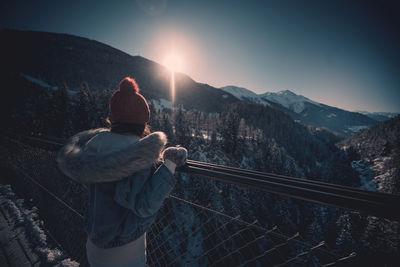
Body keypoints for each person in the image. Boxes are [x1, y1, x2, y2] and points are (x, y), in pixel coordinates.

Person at [57, 77, 187, 266]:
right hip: (124, 251)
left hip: (94, 246)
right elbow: (144, 205)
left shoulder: (96, 148)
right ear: (142, 121)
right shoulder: (136, 155)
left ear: (113, 118)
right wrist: (169, 165)